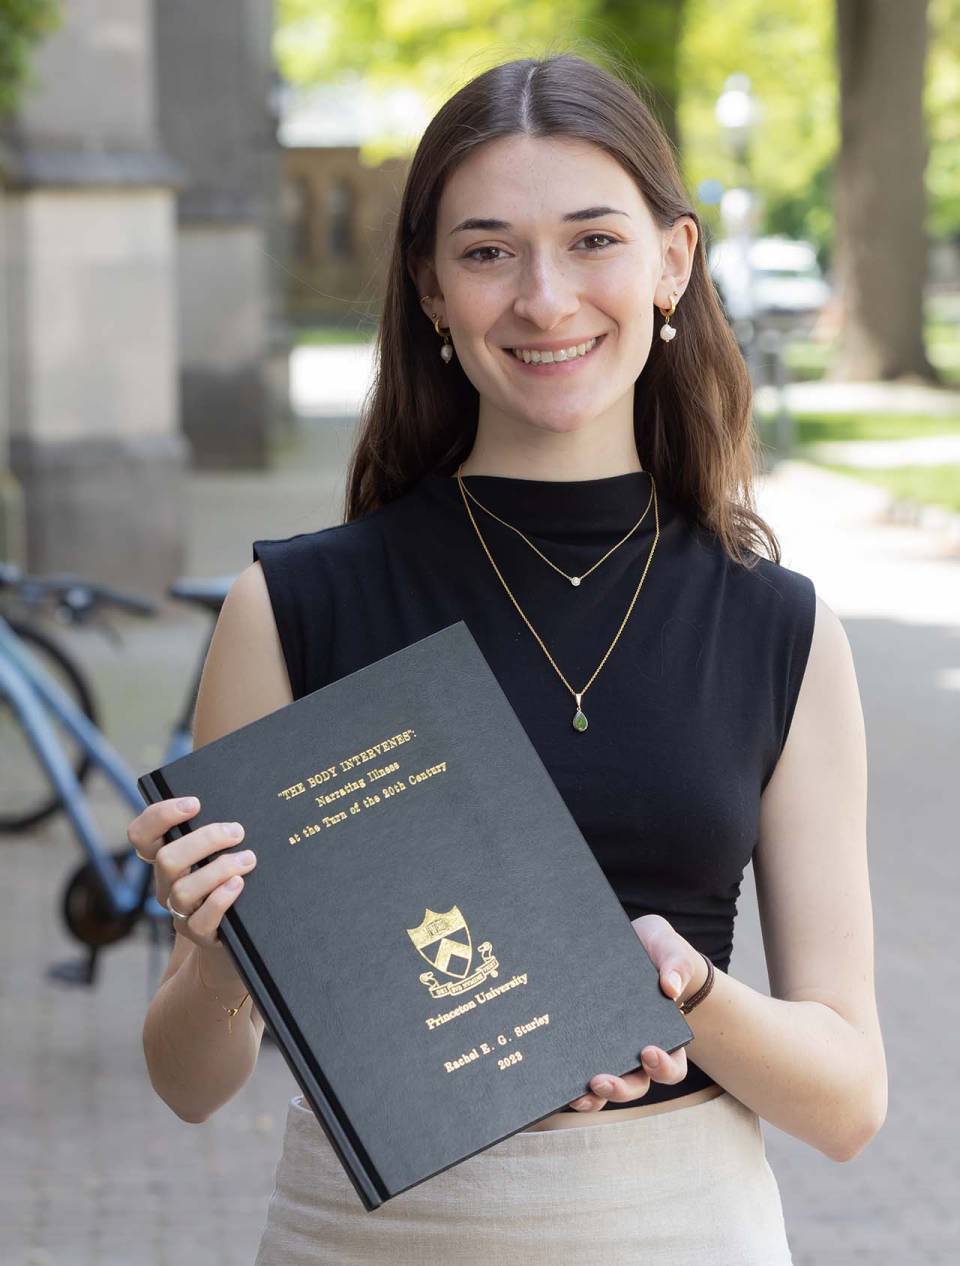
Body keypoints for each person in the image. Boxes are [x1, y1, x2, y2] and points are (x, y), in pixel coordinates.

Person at [133, 52, 887, 1265]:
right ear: (430, 288)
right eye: (488, 252)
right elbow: (188, 1082)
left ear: (673, 263)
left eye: (594, 240)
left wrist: (687, 994)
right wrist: (228, 950)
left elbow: (848, 1103)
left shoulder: (781, 630)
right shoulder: (290, 607)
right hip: (365, 1237)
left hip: (679, 1226)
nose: (545, 299)